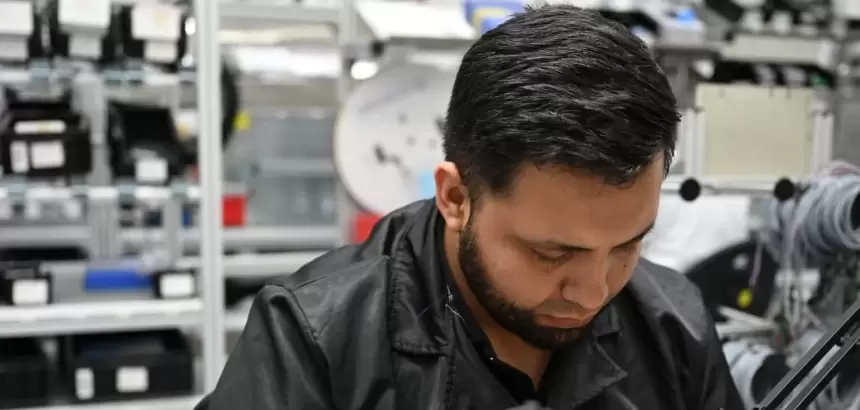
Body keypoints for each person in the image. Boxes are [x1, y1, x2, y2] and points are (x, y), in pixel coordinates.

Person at [197, 5, 744, 409]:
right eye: (552, 254)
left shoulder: (674, 326)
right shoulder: (315, 340)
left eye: (627, 245)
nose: (593, 292)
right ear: (456, 198)